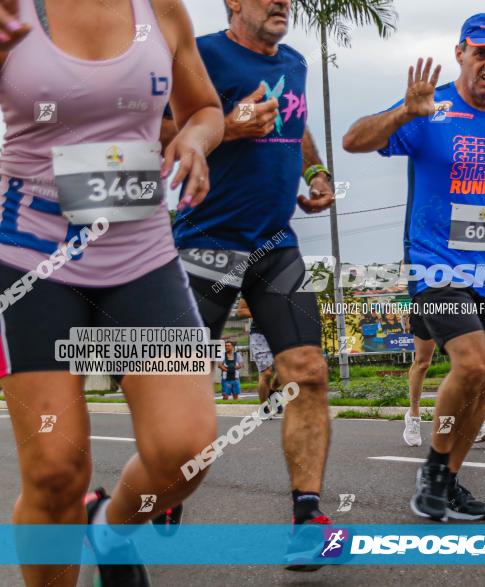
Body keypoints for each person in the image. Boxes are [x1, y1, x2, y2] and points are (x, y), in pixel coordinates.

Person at [0, 0, 224, 585]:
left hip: (140, 255)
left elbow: (203, 108)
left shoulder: (161, 10)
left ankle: (109, 525)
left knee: (186, 450)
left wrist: (196, 140)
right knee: (54, 472)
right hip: (30, 257)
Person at [344, 13, 485, 522]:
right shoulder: (431, 109)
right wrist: (405, 113)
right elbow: (355, 140)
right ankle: (431, 472)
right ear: (460, 54)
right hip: (433, 265)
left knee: (484, 379)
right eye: (482, 54)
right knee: (469, 362)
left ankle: (447, 482)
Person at [166, 0, 336, 569]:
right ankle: (163, 488)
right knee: (177, 382)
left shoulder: (294, 61)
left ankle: (307, 514)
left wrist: (314, 170)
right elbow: (157, 126)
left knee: (308, 370)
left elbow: (297, 119)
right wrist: (230, 128)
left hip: (273, 243)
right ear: (233, 3)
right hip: (206, 239)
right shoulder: (204, 54)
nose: (281, 2)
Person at [404, 312, 485, 446]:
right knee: (423, 363)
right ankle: (413, 415)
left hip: (454, 303)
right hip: (426, 302)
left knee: (466, 359)